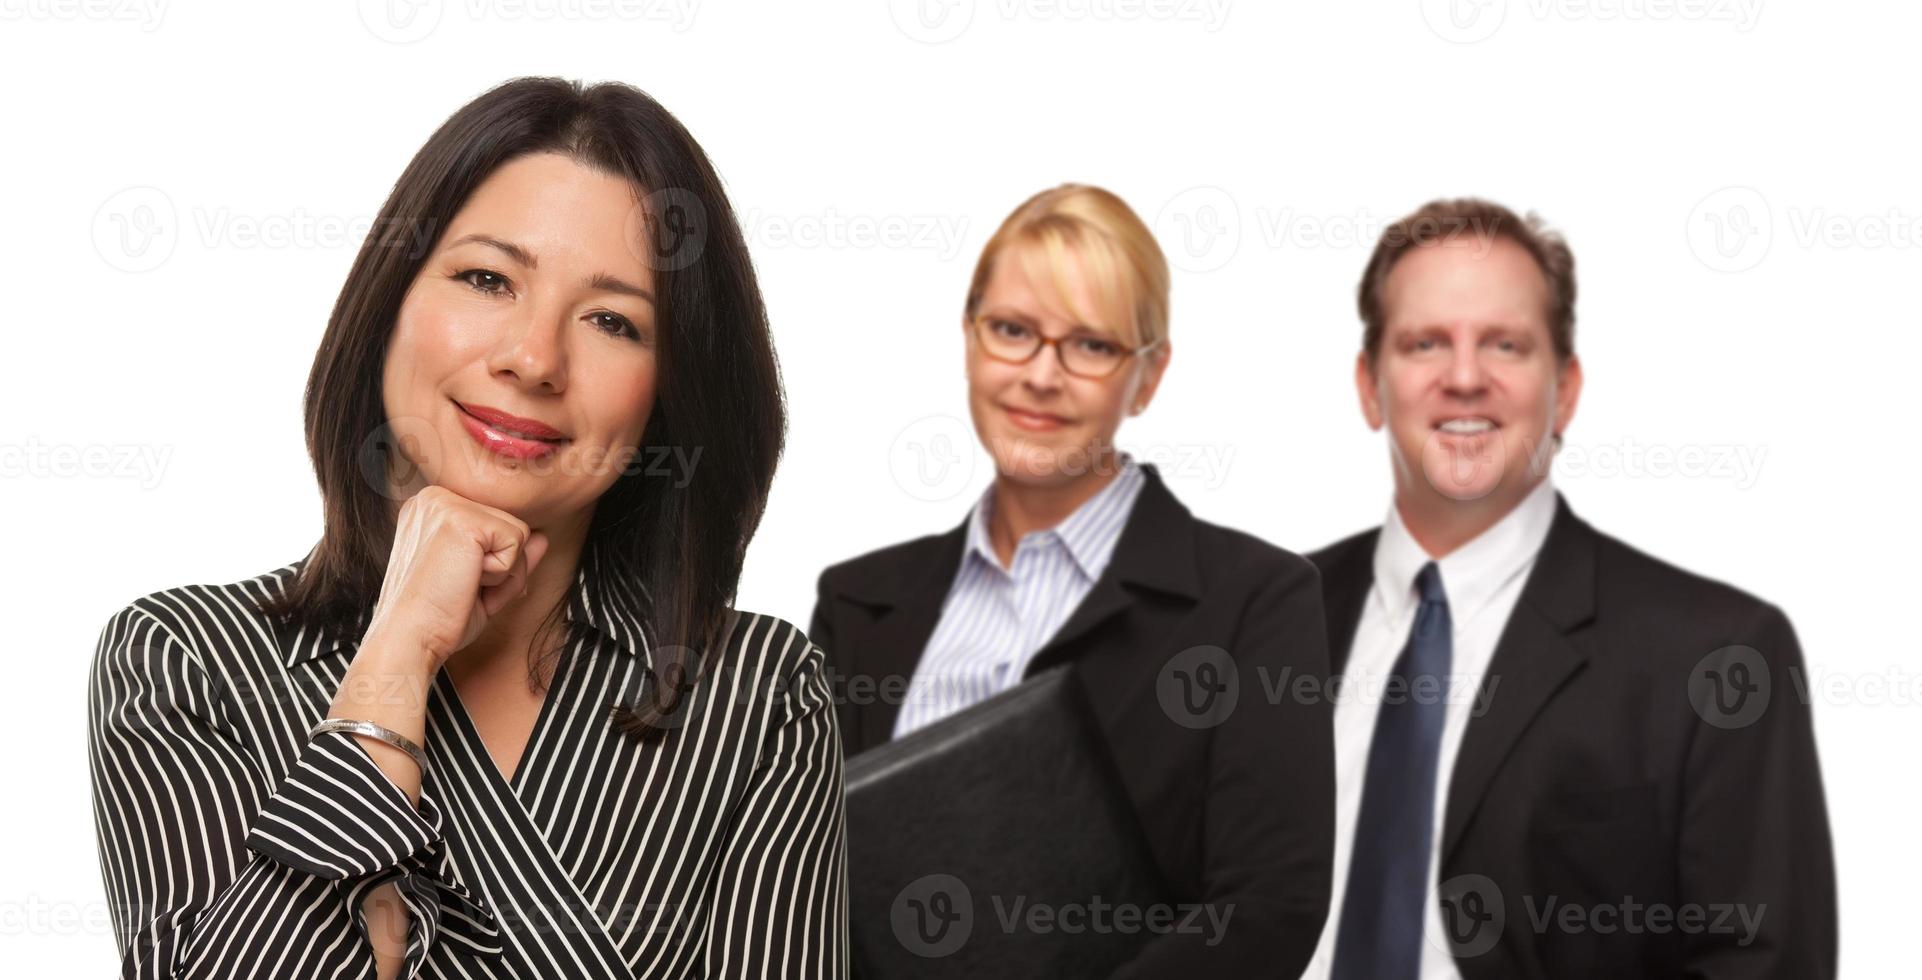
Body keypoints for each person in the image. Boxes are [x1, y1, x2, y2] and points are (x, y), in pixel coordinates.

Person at [87, 76, 847, 980]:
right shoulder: (185, 658)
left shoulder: (759, 696)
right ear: (391, 307)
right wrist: (394, 661)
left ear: (669, 394)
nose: (533, 359)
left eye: (613, 320)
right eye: (487, 279)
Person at [1300, 197, 1836, 979]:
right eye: (1424, 343)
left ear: (1567, 389)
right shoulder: (1260, 617)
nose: (1463, 377)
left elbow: (1764, 963)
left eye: (1505, 345)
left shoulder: (1716, 655)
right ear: (1369, 385)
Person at [810, 184, 1334, 977]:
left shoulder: (1256, 600)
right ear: (969, 338)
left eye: (1090, 345)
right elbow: (807, 892)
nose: (1041, 375)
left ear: (1148, 376)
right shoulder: (857, 604)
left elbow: (1269, 908)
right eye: (1013, 331)